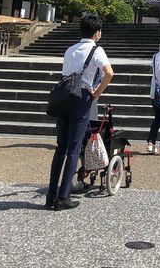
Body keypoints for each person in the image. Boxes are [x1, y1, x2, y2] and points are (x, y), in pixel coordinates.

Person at [47, 13, 114, 210]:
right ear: (97, 32)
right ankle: (63, 197)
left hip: (64, 97)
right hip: (82, 98)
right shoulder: (97, 50)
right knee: (74, 148)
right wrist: (96, 93)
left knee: (60, 147)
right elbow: (109, 73)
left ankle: (51, 195)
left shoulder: (70, 50)